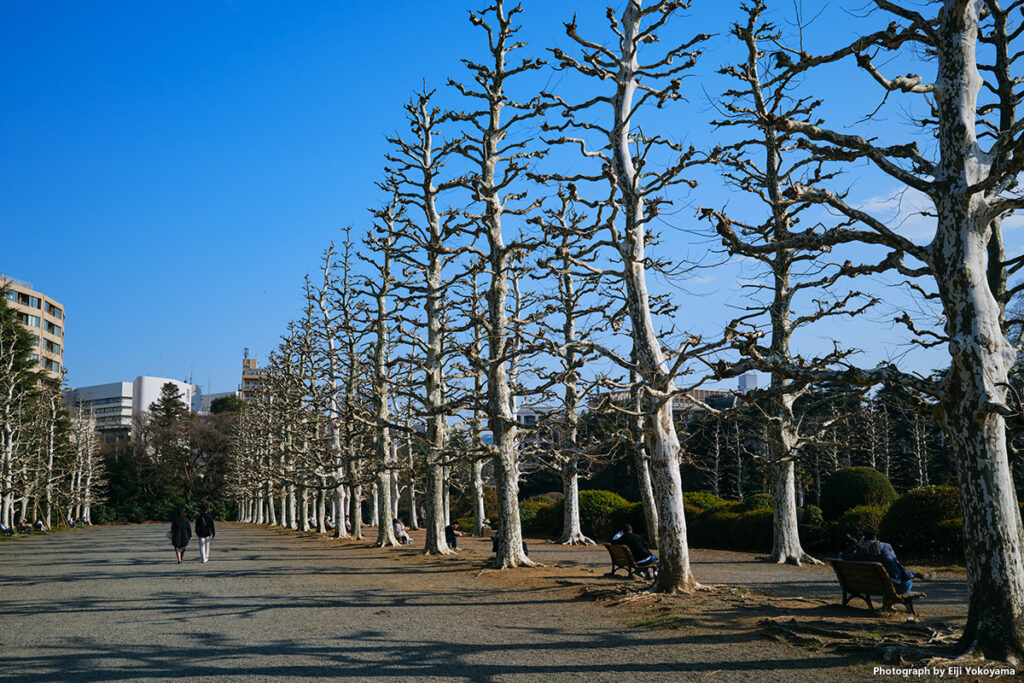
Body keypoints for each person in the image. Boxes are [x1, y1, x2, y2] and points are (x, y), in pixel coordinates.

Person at [841, 526, 922, 594]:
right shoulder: (886, 546)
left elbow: (843, 555)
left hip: (874, 587)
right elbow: (895, 570)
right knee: (906, 580)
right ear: (875, 538)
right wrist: (912, 574)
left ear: (863, 539)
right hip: (897, 587)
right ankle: (914, 574)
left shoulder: (861, 553)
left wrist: (856, 546)